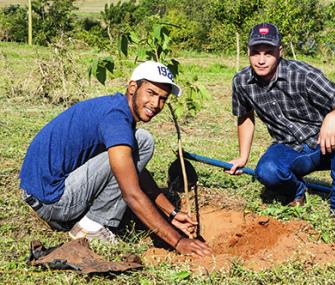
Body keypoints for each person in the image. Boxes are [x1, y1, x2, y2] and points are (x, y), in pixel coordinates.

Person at [20, 61, 212, 256]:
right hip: (53, 201)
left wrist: (171, 212)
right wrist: (178, 241)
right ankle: (91, 228)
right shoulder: (117, 120)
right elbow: (131, 193)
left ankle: (88, 220)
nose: (156, 104)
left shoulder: (116, 108)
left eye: (163, 98)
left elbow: (133, 169)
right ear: (132, 87)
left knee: (135, 148)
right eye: (151, 93)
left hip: (41, 194)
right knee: (143, 141)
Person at [227, 23, 335, 218]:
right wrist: (242, 156)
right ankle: (298, 191)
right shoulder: (241, 82)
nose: (261, 60)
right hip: (288, 148)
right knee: (267, 171)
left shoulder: (302, 75)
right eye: (256, 52)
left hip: (324, 145)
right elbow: (245, 115)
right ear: (248, 52)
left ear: (280, 51)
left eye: (269, 52)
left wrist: (332, 117)